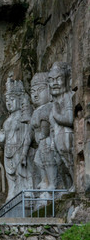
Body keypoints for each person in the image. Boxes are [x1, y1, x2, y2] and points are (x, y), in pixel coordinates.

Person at [48, 62, 74, 190]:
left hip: (68, 135)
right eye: (51, 80)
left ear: (66, 80)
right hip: (58, 137)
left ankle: (75, 184)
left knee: (71, 161)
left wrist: (57, 116)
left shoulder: (68, 97)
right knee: (62, 163)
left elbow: (70, 119)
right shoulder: (55, 101)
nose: (55, 83)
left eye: (58, 79)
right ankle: (69, 186)